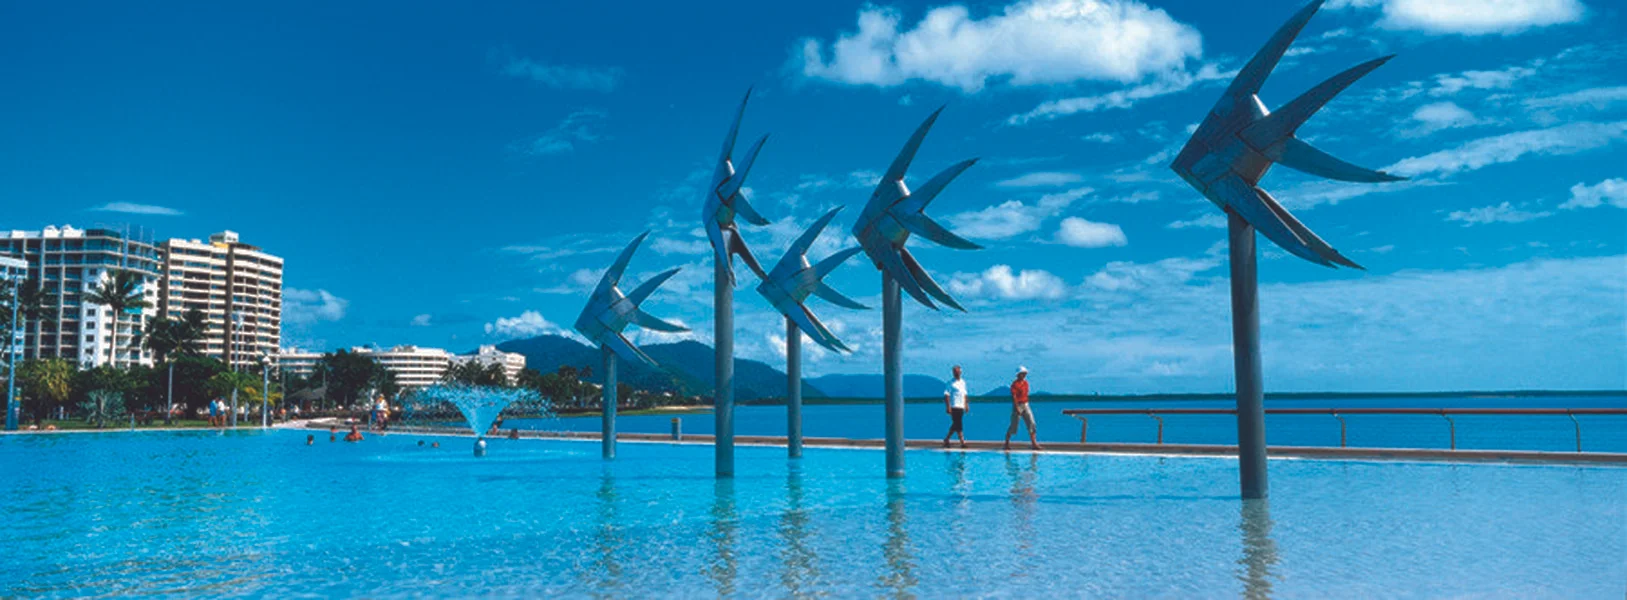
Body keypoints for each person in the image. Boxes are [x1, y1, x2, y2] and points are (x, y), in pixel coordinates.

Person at [1004, 366, 1042, 451]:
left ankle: (1034, 443)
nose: (1025, 375)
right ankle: (1006, 443)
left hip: (1026, 404)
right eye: (1023, 373)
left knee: (1031, 423)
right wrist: (1017, 407)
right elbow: (1014, 397)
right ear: (1019, 374)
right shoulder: (1014, 385)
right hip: (1018, 405)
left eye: (1025, 373)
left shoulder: (1026, 383)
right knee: (1014, 426)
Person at [943, 365, 969, 448]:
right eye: (955, 372)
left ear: (960, 372)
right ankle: (962, 442)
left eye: (957, 372)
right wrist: (948, 407)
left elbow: (964, 394)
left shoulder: (963, 382)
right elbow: (947, 395)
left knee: (956, 424)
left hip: (961, 406)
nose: (956, 373)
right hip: (954, 405)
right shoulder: (950, 383)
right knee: (958, 423)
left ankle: (947, 439)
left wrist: (966, 404)